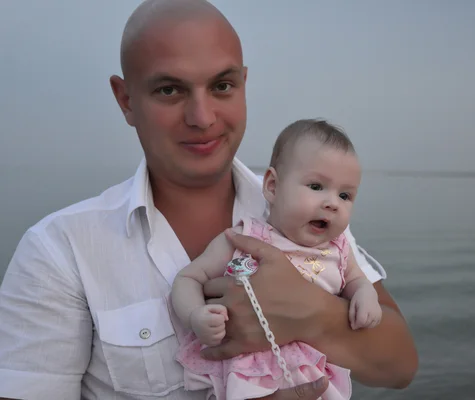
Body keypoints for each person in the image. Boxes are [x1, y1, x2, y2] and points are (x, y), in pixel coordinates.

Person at [0, 0, 418, 399]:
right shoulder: (60, 252)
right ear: (126, 99)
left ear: (243, 85)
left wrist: (312, 314)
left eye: (222, 85)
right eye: (169, 90)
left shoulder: (309, 211)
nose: (202, 117)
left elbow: (399, 368)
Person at [170, 119, 383, 400]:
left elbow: (355, 280)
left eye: (345, 195)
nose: (333, 202)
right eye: (316, 186)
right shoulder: (245, 238)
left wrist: (366, 295)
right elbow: (188, 278)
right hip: (254, 374)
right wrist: (195, 315)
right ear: (272, 186)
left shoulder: (339, 248)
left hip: (318, 375)